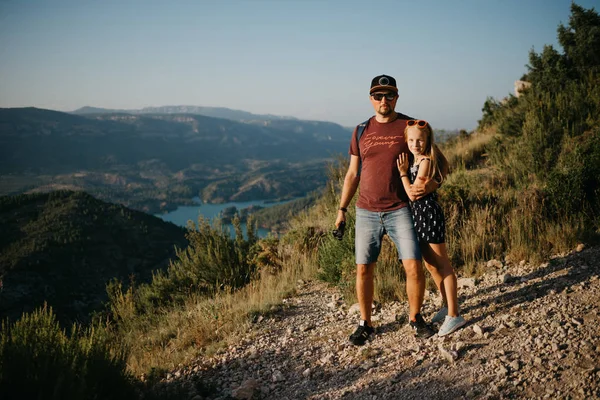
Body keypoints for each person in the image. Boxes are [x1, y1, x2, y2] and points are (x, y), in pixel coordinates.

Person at [335, 74, 438, 346]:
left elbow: (436, 159)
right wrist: (342, 209)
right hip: (366, 211)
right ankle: (365, 323)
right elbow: (352, 174)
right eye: (378, 96)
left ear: (397, 97)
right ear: (371, 99)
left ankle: (416, 319)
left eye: (389, 95)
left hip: (401, 208)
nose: (384, 100)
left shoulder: (409, 125)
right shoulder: (360, 130)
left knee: (413, 266)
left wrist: (432, 184)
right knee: (363, 270)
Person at [397, 119, 467, 336]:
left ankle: (455, 315)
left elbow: (412, 193)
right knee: (431, 265)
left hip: (428, 214)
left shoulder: (425, 161)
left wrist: (402, 173)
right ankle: (446, 305)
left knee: (442, 264)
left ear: (427, 140)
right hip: (419, 215)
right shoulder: (416, 158)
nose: (414, 144)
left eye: (419, 140)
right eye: (410, 140)